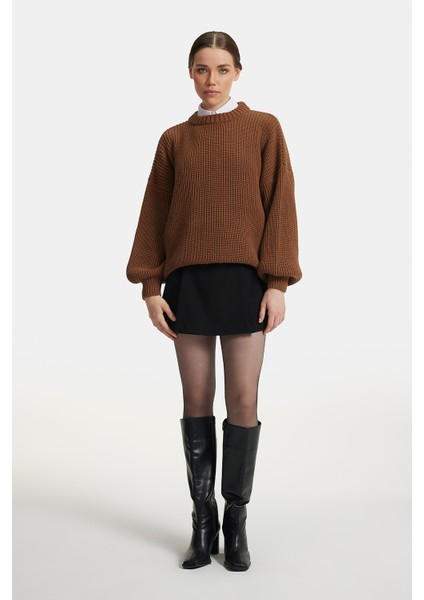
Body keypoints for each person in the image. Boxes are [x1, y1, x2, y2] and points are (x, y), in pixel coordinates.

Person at [126, 30, 302, 571]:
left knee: (243, 400)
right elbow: (154, 212)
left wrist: (277, 282)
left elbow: (281, 203)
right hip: (188, 285)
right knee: (196, 399)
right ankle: (202, 523)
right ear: (190, 73)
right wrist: (150, 289)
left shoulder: (263, 128)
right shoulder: (174, 139)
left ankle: (236, 521)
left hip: (245, 282)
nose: (211, 80)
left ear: (237, 73)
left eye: (222, 69)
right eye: (202, 69)